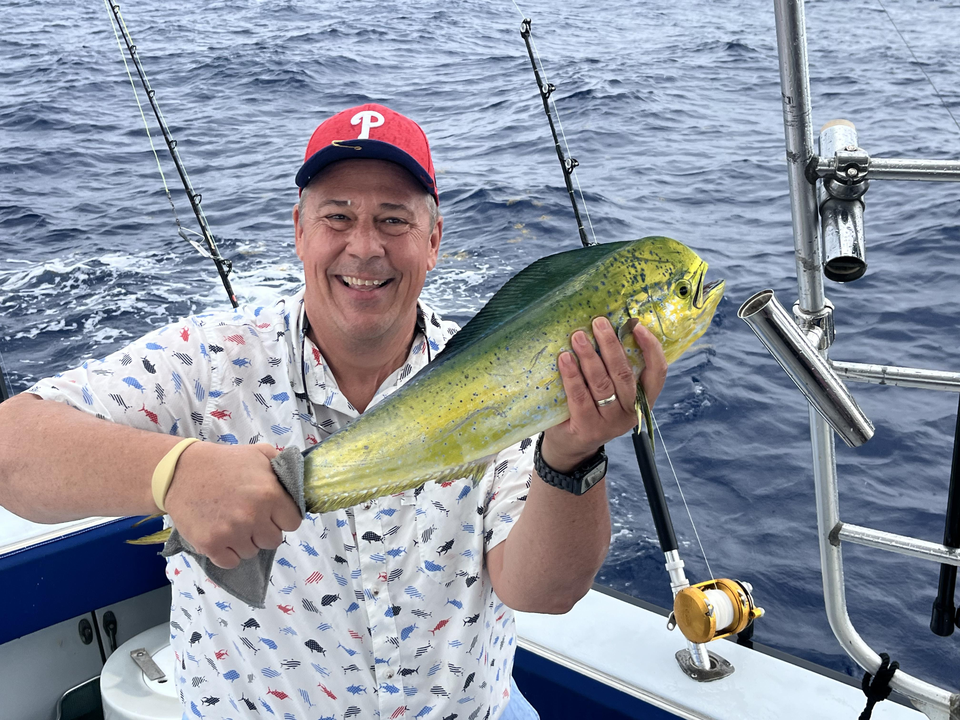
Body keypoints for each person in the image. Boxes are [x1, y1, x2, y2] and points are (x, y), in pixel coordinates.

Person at [0, 104, 667, 719]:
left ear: (434, 241)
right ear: (299, 231)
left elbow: (540, 591)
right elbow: (12, 450)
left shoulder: (505, 375)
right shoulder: (206, 359)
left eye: (394, 219)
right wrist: (175, 472)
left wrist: (572, 455)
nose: (365, 246)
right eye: (338, 216)